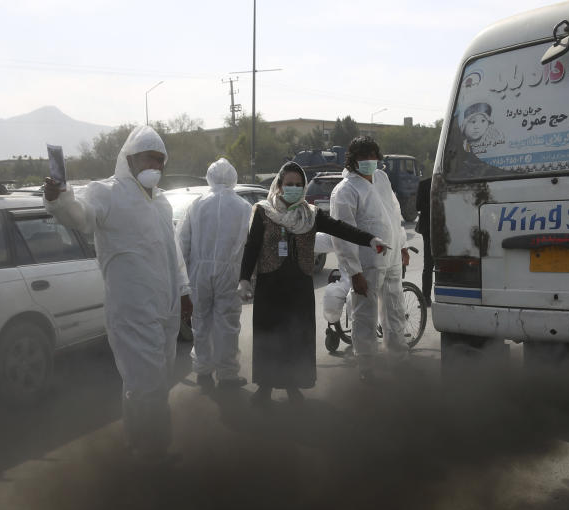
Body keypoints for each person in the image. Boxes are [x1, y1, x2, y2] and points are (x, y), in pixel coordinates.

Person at [43, 125, 193, 458]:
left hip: (165, 307)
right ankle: (152, 447)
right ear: (129, 159)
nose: (157, 166)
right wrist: (58, 200)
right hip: (131, 308)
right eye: (149, 159)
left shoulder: (162, 202)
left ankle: (140, 440)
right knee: (146, 382)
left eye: (161, 161)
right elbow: (79, 215)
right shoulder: (106, 192)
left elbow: (173, 250)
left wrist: (183, 290)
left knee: (158, 378)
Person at [239, 161, 389, 404]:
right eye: (289, 184)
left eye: (298, 185)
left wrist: (370, 239)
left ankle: (293, 386)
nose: (294, 189)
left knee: (297, 338)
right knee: (269, 337)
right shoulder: (264, 212)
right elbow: (252, 247)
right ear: (279, 185)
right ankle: (265, 387)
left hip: (299, 286)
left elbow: (341, 228)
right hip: (270, 286)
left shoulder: (310, 214)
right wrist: (244, 279)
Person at [330, 137, 410, 382]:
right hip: (367, 264)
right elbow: (342, 235)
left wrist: (403, 244)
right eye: (362, 157)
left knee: (395, 308)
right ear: (352, 160)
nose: (368, 161)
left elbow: (394, 213)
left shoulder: (382, 179)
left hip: (393, 256)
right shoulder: (345, 190)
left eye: (372, 156)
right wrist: (354, 272)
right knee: (365, 314)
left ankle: (398, 358)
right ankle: (366, 366)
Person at [176, 158, 251, 390]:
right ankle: (227, 373)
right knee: (227, 323)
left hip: (199, 272)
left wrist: (185, 277)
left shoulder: (196, 205)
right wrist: (249, 278)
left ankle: (203, 369)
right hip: (230, 272)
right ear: (233, 178)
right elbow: (249, 245)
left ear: (209, 177)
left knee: (201, 322)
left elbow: (182, 242)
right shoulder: (244, 206)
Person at [415, 177, 433, 306]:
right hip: (431, 228)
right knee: (429, 264)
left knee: (429, 264)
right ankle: (425, 297)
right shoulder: (425, 184)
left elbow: (418, 206)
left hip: (432, 227)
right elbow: (418, 206)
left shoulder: (425, 184)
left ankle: (426, 297)